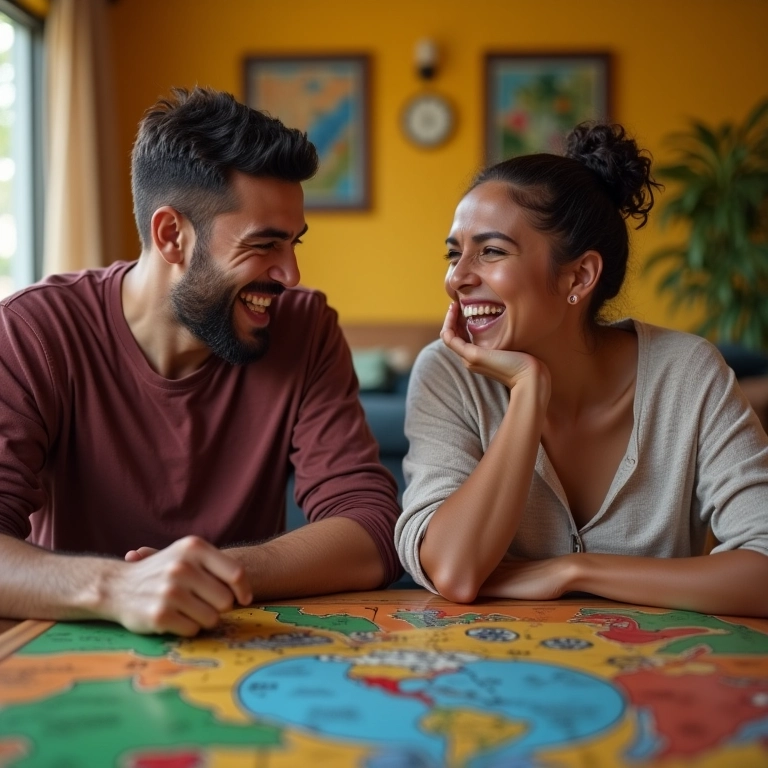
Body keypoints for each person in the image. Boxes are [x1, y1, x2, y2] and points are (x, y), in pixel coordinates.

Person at [0, 87, 401, 636]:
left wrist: (213, 573)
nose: (291, 274)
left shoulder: (306, 330)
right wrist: (120, 587)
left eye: (294, 244)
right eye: (265, 245)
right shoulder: (33, 332)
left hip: (239, 652)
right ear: (172, 236)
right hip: (71, 652)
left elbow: (372, 525)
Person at [395, 122, 768, 617]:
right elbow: (455, 571)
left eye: (490, 251)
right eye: (453, 254)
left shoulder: (687, 373)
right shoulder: (449, 374)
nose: (458, 278)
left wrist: (574, 572)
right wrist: (528, 391)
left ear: (579, 275)